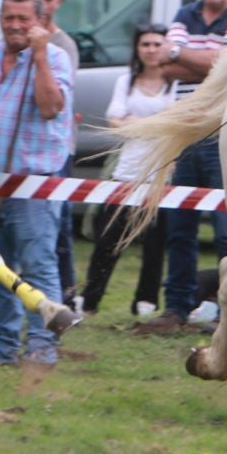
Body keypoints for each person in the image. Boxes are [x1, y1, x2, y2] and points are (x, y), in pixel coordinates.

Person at [144, 0, 227, 327]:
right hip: (187, 133)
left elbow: (226, 64)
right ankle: (177, 306)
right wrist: (208, 61)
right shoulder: (185, 14)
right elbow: (164, 68)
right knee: (179, 227)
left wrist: (181, 52)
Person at [0, 0, 73, 366]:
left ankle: (42, 347)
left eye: (24, 19)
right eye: (9, 18)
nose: (15, 25)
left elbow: (51, 107)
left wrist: (38, 55)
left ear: (40, 22)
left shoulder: (54, 58)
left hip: (31, 185)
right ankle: (1, 345)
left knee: (37, 265)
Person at [82, 25, 175, 317]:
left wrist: (137, 124)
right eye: (145, 43)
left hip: (162, 174)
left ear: (166, 47)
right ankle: (89, 300)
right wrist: (156, 125)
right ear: (137, 48)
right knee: (108, 240)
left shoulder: (176, 84)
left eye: (156, 44)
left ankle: (146, 300)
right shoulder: (126, 81)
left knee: (155, 243)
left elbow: (177, 126)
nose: (150, 49)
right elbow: (114, 124)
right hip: (125, 172)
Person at [26, 0, 81, 316]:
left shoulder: (63, 46)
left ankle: (67, 293)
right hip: (24, 148)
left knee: (58, 225)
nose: (43, 6)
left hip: (58, 146)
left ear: (58, 2)